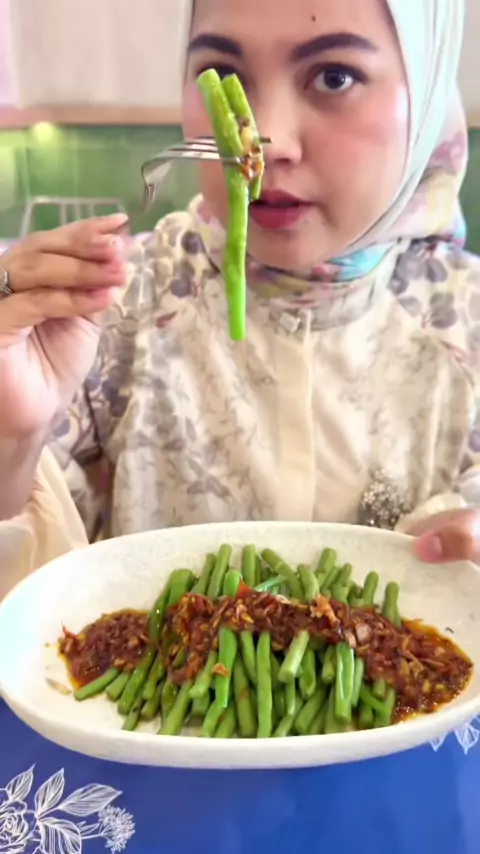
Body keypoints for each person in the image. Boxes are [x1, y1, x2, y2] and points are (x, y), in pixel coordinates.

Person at [0, 0, 479, 596]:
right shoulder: (110, 306)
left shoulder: (465, 322)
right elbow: (37, 609)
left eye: (335, 77)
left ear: (425, 90)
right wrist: (12, 438)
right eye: (222, 76)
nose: (265, 142)